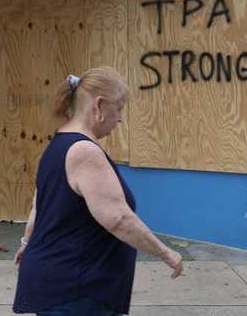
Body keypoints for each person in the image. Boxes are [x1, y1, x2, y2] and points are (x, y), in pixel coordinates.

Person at [13, 66, 183, 316]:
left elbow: (39, 207)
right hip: (78, 291)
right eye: (119, 108)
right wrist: (165, 252)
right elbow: (118, 218)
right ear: (100, 105)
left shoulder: (58, 144)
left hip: (63, 286)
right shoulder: (84, 152)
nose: (121, 118)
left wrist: (27, 243)